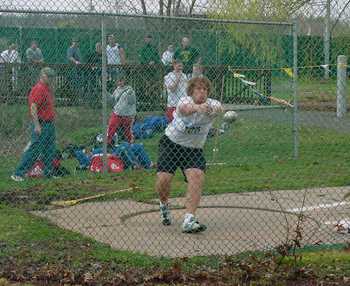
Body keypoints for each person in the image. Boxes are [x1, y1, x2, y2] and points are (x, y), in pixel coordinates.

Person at [155, 76, 223, 233]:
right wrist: (197, 108)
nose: (202, 92)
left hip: (193, 149)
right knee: (164, 180)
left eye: (205, 89)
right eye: (198, 89)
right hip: (171, 145)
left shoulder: (212, 103)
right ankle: (164, 204)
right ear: (191, 91)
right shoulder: (184, 101)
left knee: (197, 176)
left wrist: (215, 110)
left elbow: (219, 108)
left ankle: (189, 219)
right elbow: (185, 109)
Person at [11, 67, 57, 182]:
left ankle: (48, 172)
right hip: (41, 123)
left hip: (49, 123)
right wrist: (37, 125)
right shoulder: (39, 88)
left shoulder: (47, 88)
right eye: (48, 76)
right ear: (42, 76)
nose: (51, 78)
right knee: (34, 149)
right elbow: (33, 107)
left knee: (49, 149)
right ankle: (18, 173)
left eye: (52, 76)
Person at [107, 72, 136, 145]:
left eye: (121, 81)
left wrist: (130, 95)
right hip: (117, 113)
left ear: (124, 81)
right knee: (111, 126)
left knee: (127, 130)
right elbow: (113, 100)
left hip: (127, 114)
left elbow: (132, 102)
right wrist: (106, 94)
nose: (119, 83)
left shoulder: (130, 90)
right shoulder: (117, 90)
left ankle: (130, 142)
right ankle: (108, 142)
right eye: (118, 81)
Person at [138, 34, 161, 110]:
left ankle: (153, 103)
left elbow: (157, 58)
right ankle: (145, 101)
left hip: (153, 72)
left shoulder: (154, 48)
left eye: (149, 39)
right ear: (145, 39)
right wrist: (147, 62)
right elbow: (141, 59)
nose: (148, 40)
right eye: (147, 39)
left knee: (154, 86)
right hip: (145, 72)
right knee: (146, 86)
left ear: (151, 40)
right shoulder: (143, 49)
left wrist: (154, 62)